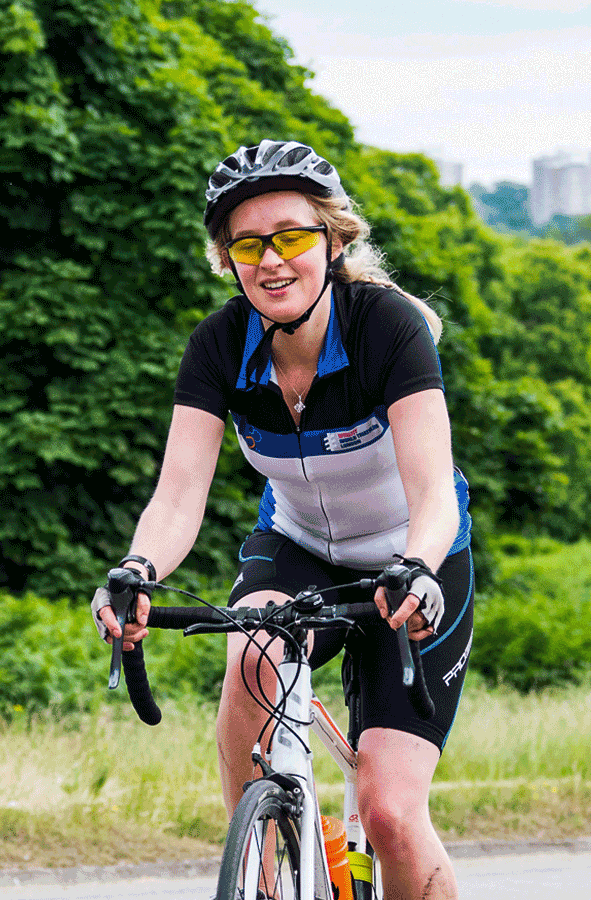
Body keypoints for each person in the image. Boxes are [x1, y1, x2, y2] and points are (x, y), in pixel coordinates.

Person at [94, 140, 474, 900]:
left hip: (413, 557)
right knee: (250, 651)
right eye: (248, 244)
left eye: (293, 237)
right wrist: (137, 570)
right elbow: (177, 496)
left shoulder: (384, 326)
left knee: (391, 814)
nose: (272, 261)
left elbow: (434, 489)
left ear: (333, 242)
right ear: (227, 259)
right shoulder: (219, 344)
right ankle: (264, 871)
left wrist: (421, 566)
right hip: (297, 543)